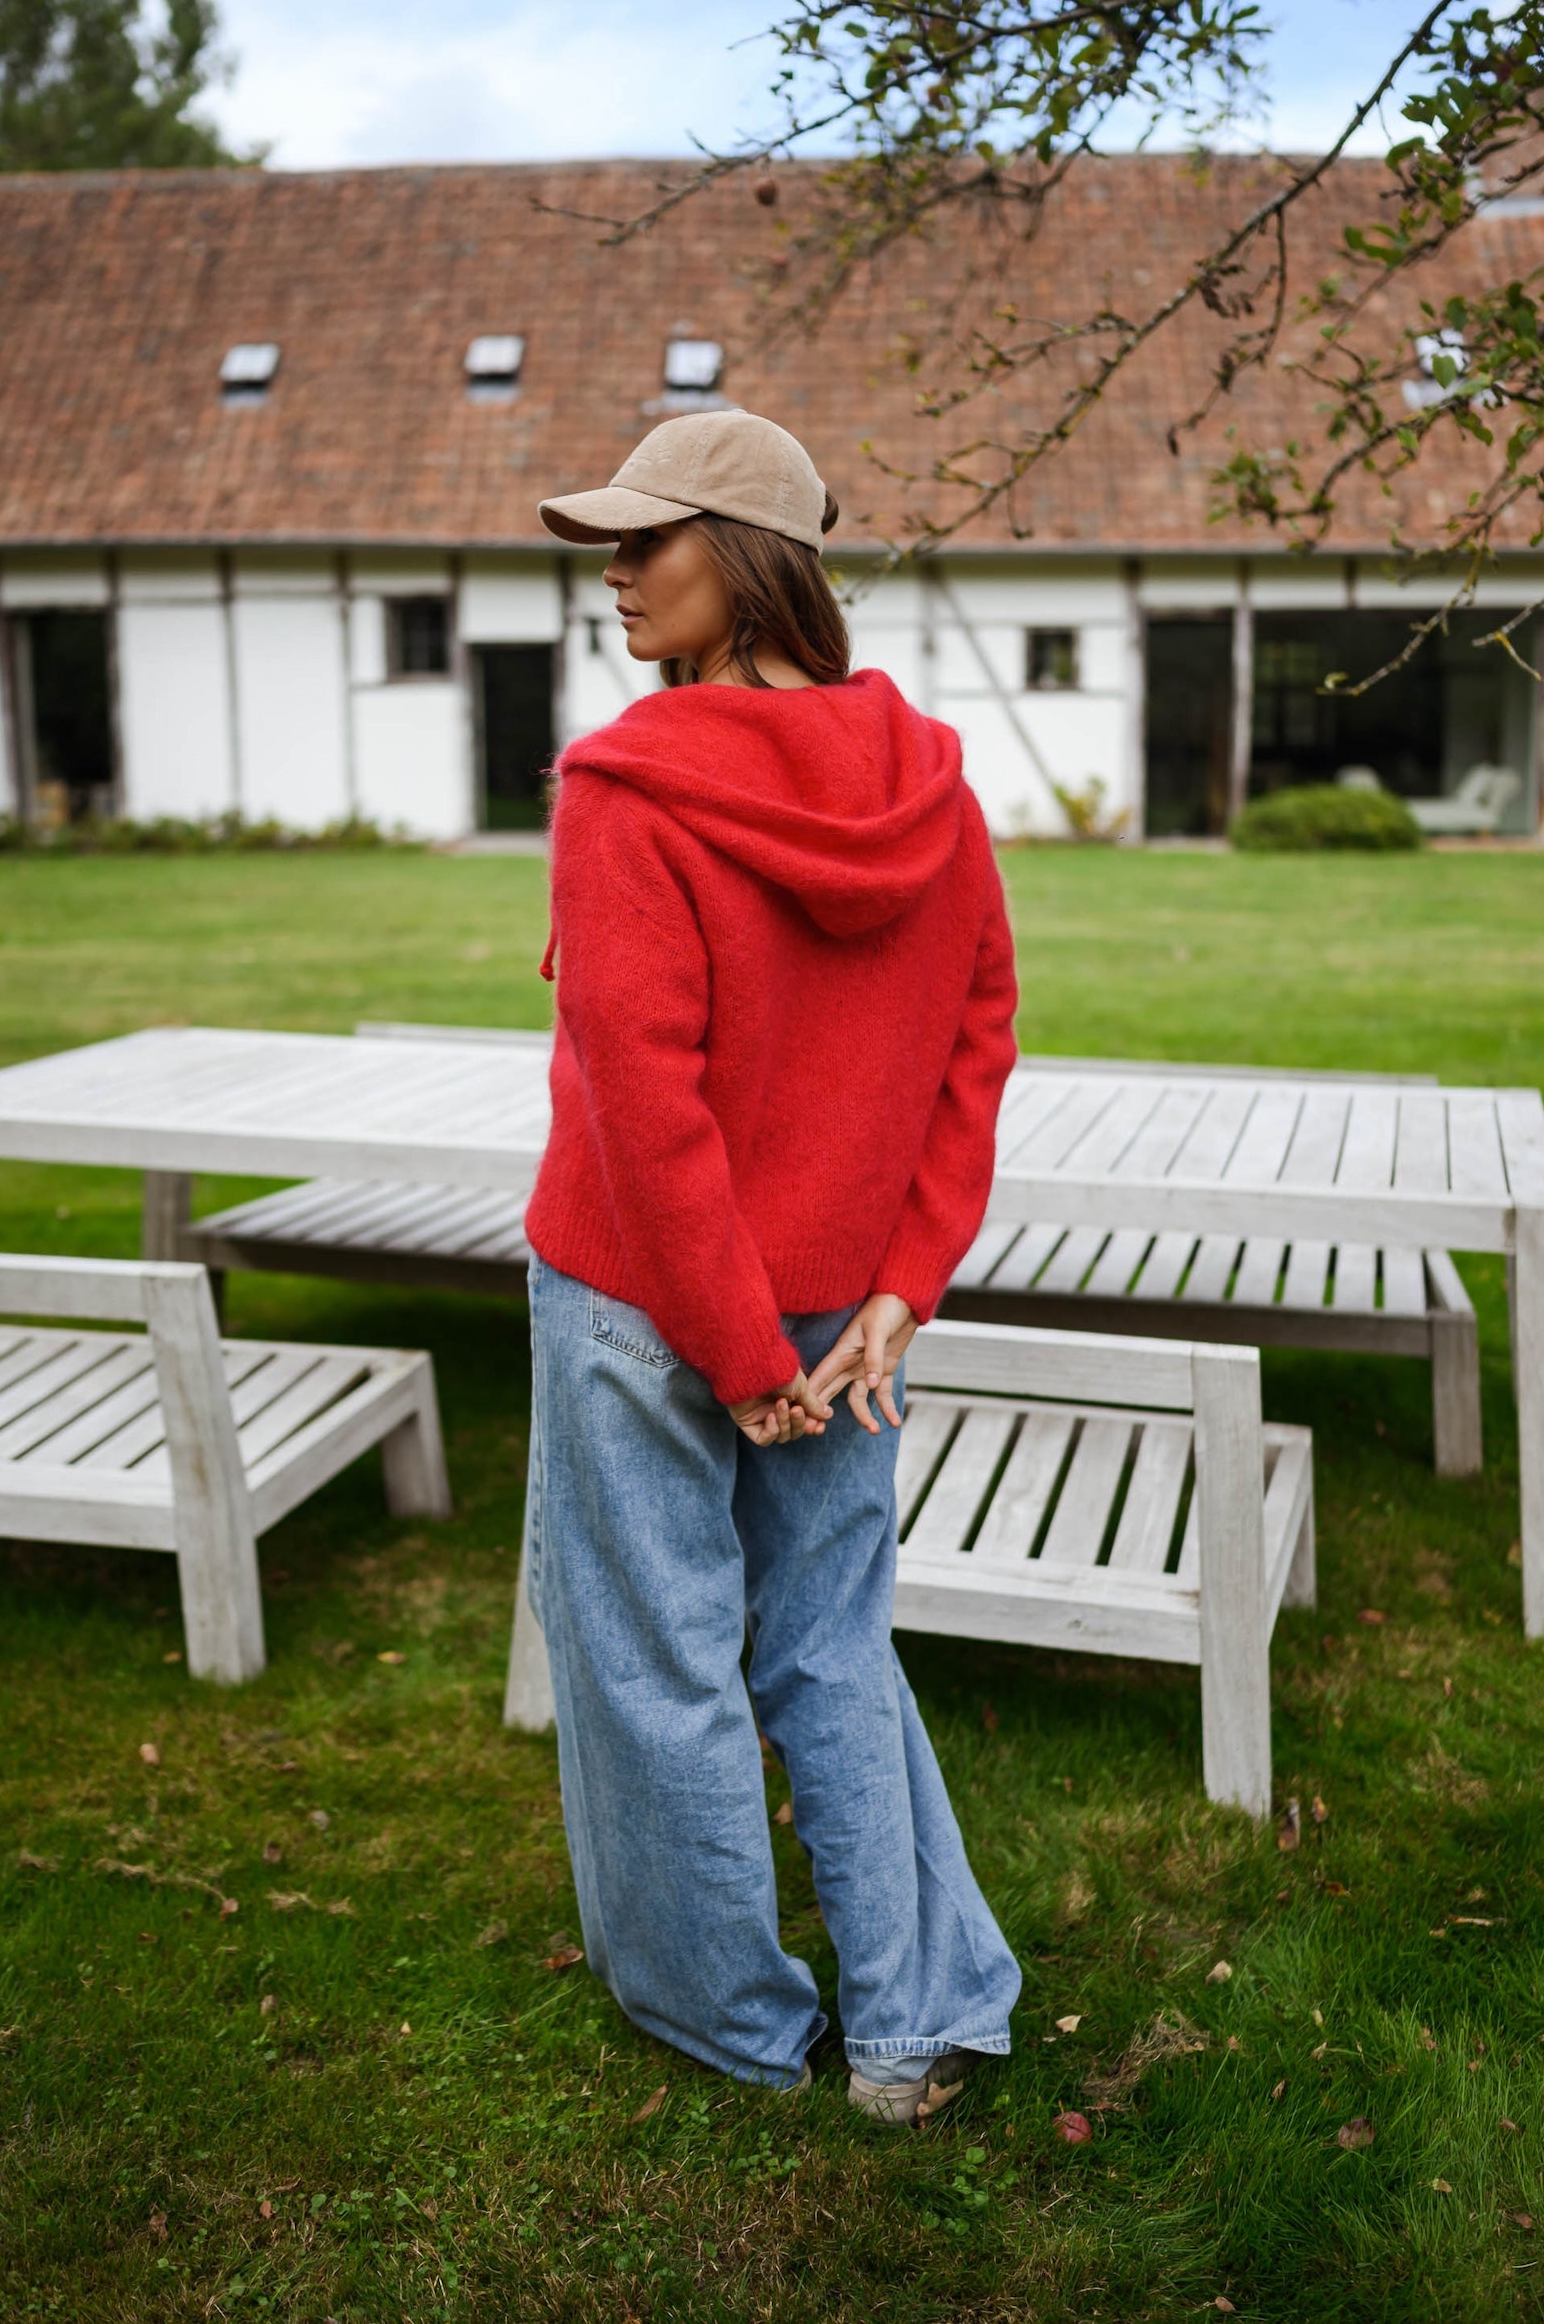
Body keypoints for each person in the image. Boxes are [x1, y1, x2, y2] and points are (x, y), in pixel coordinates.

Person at [523, 409, 1022, 2125]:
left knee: (655, 1656)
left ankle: (733, 2022)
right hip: (837, 1309)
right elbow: (976, 1041)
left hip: (646, 1302)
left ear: (738, 566)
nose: (609, 571)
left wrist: (737, 1348)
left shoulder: (623, 784)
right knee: (829, 1641)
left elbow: (638, 1100)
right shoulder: (933, 788)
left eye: (641, 539)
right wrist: (896, 1286)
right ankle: (909, 2030)